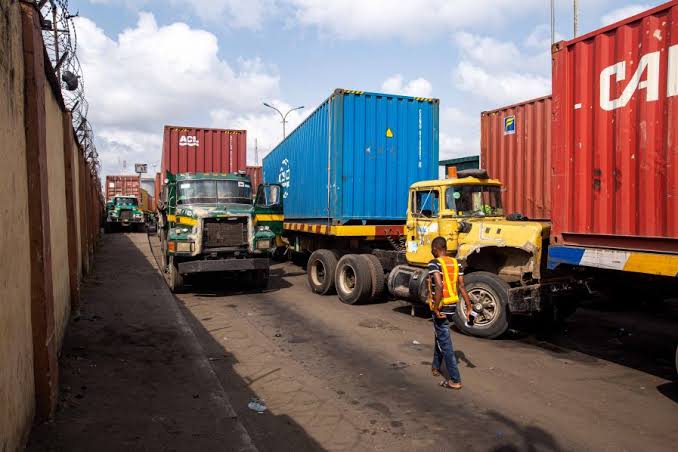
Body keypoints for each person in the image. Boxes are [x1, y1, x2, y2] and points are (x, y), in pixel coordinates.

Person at [427, 236, 473, 390]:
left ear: (435, 249)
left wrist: (436, 307)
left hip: (441, 307)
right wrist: (469, 306)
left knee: (445, 343)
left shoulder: (434, 263)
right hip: (452, 306)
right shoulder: (456, 262)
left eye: (431, 249)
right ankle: (435, 366)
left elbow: (439, 285)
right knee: (439, 335)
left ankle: (455, 379)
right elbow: (461, 286)